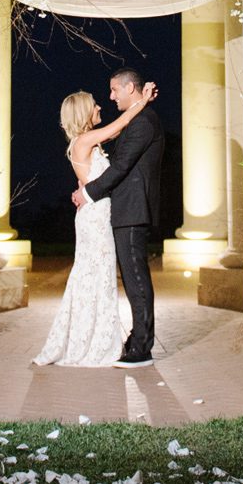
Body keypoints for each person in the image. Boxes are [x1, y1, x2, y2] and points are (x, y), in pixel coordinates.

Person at [31, 79, 158, 367]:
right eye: (95, 105)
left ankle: (94, 337)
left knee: (96, 277)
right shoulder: (85, 140)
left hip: (98, 214)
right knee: (94, 277)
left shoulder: (88, 142)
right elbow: (121, 124)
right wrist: (143, 99)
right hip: (95, 219)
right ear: (85, 113)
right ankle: (93, 342)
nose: (102, 105)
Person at [73, 68, 167, 367]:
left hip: (132, 209)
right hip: (126, 208)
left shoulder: (142, 122)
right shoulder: (138, 119)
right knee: (131, 277)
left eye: (115, 90)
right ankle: (137, 339)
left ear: (130, 88)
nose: (111, 96)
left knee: (136, 278)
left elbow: (122, 166)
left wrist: (88, 193)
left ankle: (142, 348)